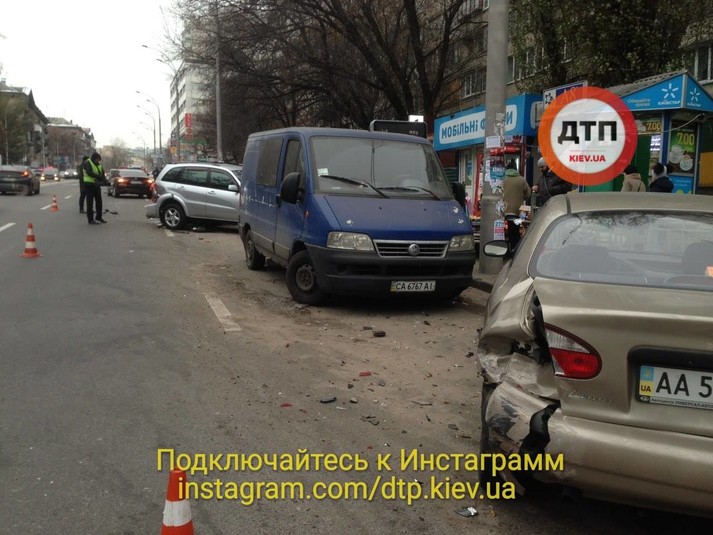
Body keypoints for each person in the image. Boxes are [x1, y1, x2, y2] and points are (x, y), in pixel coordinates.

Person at [503, 161, 531, 250]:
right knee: (515, 231)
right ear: (516, 169)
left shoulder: (502, 179)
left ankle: (505, 249)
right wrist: (521, 197)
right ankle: (515, 250)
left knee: (503, 232)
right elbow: (528, 194)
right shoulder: (521, 179)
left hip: (503, 211)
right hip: (517, 212)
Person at [82, 152, 108, 224]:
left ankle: (99, 217)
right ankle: (90, 219)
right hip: (89, 185)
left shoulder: (98, 165)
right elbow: (89, 172)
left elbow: (102, 173)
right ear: (94, 158)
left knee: (99, 202)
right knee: (90, 203)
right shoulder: (87, 163)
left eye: (99, 160)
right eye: (97, 159)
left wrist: (105, 181)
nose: (98, 161)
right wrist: (98, 176)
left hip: (96, 185)